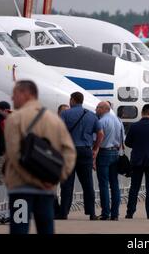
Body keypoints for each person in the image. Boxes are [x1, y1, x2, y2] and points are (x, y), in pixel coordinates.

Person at [3, 81, 76, 234]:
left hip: (20, 189)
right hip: (47, 190)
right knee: (46, 228)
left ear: (26, 94)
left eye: (15, 94)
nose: (12, 97)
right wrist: (57, 177)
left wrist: (34, 180)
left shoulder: (14, 119)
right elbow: (70, 152)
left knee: (19, 229)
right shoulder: (55, 120)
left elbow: (14, 156)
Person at [58, 92, 103, 220]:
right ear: (82, 101)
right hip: (85, 151)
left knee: (67, 184)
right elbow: (100, 134)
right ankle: (92, 213)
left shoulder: (65, 114)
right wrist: (95, 148)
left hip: (68, 152)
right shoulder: (91, 115)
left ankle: (64, 213)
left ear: (72, 100)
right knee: (88, 183)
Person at [94, 101, 124, 221]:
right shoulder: (118, 121)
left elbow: (97, 138)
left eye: (97, 108)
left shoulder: (101, 122)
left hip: (104, 152)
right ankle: (115, 213)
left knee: (104, 184)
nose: (96, 110)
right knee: (114, 184)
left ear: (103, 109)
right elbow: (123, 138)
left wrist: (94, 152)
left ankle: (105, 212)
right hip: (116, 152)